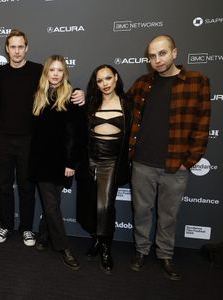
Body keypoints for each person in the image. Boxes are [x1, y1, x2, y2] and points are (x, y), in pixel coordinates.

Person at [0, 29, 85, 247]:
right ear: (7, 49)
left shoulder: (39, 71)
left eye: (20, 46)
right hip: (4, 140)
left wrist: (79, 92)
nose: (17, 51)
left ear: (26, 48)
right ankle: (5, 225)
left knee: (27, 188)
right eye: (12, 47)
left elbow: (58, 85)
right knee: (4, 187)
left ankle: (27, 228)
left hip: (30, 141)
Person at [127, 35, 211, 281]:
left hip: (175, 165)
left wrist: (190, 160)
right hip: (142, 162)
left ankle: (165, 255)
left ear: (175, 52)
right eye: (152, 56)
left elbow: (202, 125)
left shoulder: (197, 82)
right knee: (141, 211)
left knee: (168, 215)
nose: (157, 60)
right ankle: (141, 251)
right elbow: (120, 103)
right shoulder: (143, 83)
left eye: (162, 53)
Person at [29, 55, 86, 270]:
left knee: (53, 204)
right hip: (41, 162)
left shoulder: (72, 97)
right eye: (51, 70)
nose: (55, 74)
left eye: (59, 70)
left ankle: (44, 236)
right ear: (46, 73)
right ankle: (64, 247)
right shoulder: (38, 96)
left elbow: (78, 135)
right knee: (52, 204)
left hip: (63, 162)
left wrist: (71, 163)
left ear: (64, 73)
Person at [77, 64, 133, 275]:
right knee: (91, 205)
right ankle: (96, 241)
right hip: (90, 160)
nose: (104, 84)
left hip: (112, 162)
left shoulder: (127, 104)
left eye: (108, 78)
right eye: (100, 81)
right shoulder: (91, 103)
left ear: (116, 78)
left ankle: (106, 248)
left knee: (105, 206)